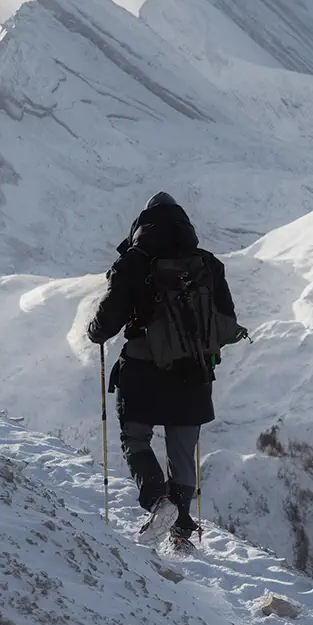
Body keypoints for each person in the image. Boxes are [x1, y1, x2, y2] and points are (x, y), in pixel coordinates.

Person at [87, 192, 245, 549]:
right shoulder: (207, 264)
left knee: (136, 438)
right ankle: (182, 530)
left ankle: (159, 503)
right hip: (194, 373)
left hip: (143, 371)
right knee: (182, 451)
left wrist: (93, 332)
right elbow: (226, 320)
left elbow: (107, 321)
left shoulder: (133, 262)